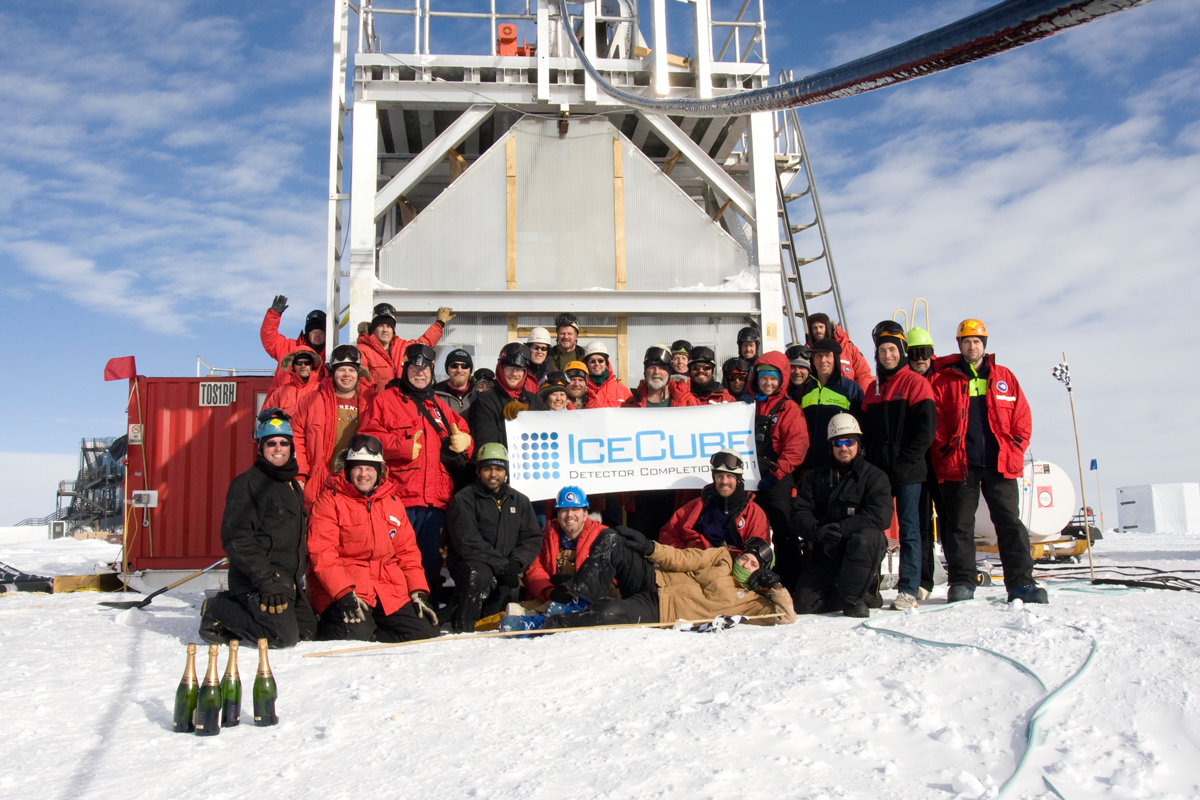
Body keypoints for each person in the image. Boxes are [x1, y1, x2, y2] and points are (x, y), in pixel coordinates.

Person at [931, 319, 1045, 604]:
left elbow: (1022, 418)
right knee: (959, 526)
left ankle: (1021, 583)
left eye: (977, 341)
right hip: (961, 465)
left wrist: (1016, 448)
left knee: (1009, 524)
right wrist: (945, 449)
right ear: (960, 345)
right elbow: (937, 420)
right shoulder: (945, 380)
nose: (972, 346)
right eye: (967, 341)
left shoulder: (1004, 376)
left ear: (985, 345)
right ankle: (962, 582)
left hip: (1000, 464)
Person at [359, 342, 474, 591]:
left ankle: (424, 603)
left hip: (435, 501)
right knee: (395, 558)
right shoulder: (386, 401)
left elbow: (463, 431)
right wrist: (401, 446)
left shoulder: (439, 406)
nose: (419, 374)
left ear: (431, 372)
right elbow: (368, 438)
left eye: (425, 370)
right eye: (414, 368)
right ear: (405, 370)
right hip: (399, 498)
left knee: (429, 559)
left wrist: (466, 442)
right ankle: (396, 605)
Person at [199, 408, 316, 648]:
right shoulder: (247, 484)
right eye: (271, 443)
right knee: (282, 637)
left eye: (284, 442)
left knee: (308, 632)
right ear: (261, 447)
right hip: (258, 581)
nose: (278, 448)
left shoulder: (291, 485)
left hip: (287, 581)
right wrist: (266, 582)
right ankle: (218, 609)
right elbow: (237, 540)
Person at [306, 435, 439, 642]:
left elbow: (407, 552)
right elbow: (322, 554)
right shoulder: (329, 502)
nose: (363, 474)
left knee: (425, 631)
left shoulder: (392, 502)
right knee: (353, 636)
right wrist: (343, 593)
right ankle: (344, 626)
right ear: (348, 471)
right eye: (358, 468)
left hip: (387, 588)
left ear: (380, 472)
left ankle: (371, 628)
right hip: (346, 590)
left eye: (370, 468)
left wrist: (417, 591)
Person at [531, 530, 794, 629]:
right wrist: (649, 548)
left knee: (608, 612)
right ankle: (577, 600)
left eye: (753, 564)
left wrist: (776, 586)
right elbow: (685, 558)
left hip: (661, 609)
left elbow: (786, 617)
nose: (745, 564)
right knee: (612, 539)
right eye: (745, 558)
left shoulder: (751, 603)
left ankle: (546, 623)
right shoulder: (722, 558)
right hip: (653, 578)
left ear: (760, 572)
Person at [861, 321, 937, 611]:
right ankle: (870, 587)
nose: (887, 355)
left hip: (908, 472)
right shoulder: (872, 389)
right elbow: (865, 431)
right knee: (874, 528)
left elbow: (925, 431)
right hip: (879, 473)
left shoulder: (916, 383)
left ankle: (908, 589)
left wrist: (905, 462)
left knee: (910, 530)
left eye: (892, 349)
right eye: (882, 350)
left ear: (902, 351)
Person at [791, 413, 893, 617]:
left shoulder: (874, 477)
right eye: (838, 442)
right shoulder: (816, 479)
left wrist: (844, 529)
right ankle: (862, 590)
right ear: (831, 445)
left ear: (859, 444)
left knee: (867, 538)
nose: (844, 447)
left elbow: (880, 515)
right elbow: (799, 513)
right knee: (803, 604)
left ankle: (853, 601)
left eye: (849, 441)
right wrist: (819, 532)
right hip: (828, 550)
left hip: (859, 548)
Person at [445, 443, 543, 632]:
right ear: (479, 471)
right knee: (479, 574)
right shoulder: (464, 499)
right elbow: (467, 541)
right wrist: (502, 565)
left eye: (498, 469)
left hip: (505, 567)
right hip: (470, 564)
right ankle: (463, 626)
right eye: (487, 469)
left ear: (505, 471)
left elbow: (531, 536)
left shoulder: (519, 500)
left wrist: (517, 563)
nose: (493, 474)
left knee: (494, 618)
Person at [622, 345, 697, 536]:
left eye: (662, 367)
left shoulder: (687, 402)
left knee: (671, 545)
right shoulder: (630, 405)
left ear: (669, 371)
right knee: (639, 543)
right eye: (651, 367)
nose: (656, 372)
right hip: (641, 490)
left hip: (675, 489)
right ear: (645, 370)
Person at [749, 350, 809, 584]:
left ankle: (791, 580)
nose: (768, 383)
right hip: (751, 478)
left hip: (777, 479)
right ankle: (753, 577)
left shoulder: (789, 409)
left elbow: (797, 446)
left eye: (773, 378)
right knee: (752, 531)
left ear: (782, 380)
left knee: (784, 531)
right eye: (764, 378)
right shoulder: (747, 407)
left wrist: (776, 475)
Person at [292, 344, 375, 510]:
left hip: (357, 481)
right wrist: (300, 474)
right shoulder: (311, 400)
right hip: (319, 482)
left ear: (358, 374)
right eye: (341, 370)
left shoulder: (371, 401)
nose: (347, 375)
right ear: (333, 373)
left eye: (351, 370)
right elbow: (295, 436)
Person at [658, 450, 770, 553]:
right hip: (695, 563)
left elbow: (759, 553)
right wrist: (684, 556)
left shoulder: (753, 513)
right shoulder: (698, 505)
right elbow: (669, 534)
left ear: (738, 480)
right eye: (719, 476)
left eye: (729, 476)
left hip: (732, 568)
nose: (724, 481)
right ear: (714, 478)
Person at [524, 486, 611, 604]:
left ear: (585, 514)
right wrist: (550, 592)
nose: (570, 514)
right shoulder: (544, 536)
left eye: (575, 509)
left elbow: (613, 574)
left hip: (593, 600)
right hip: (552, 599)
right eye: (564, 510)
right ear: (558, 514)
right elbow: (534, 569)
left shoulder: (604, 536)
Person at [793, 338, 864, 480]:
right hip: (809, 465)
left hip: (840, 466)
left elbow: (862, 427)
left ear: (835, 359)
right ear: (813, 360)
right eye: (818, 356)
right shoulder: (803, 390)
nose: (823, 360)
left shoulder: (850, 388)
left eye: (828, 356)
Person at [905, 326, 941, 598]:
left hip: (944, 461)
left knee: (951, 523)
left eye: (924, 352)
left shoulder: (942, 380)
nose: (920, 359)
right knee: (919, 523)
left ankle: (960, 577)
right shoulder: (904, 383)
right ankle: (923, 579)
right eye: (915, 353)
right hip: (918, 464)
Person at [358, 302, 453, 393]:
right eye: (380, 326)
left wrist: (439, 323)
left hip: (401, 404)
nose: (385, 330)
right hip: (378, 406)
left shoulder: (402, 348)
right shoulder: (362, 350)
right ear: (373, 329)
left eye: (388, 326)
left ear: (393, 330)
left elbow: (425, 342)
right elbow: (362, 386)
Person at [468, 342, 545, 450]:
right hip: (500, 464)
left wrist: (526, 410)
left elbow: (547, 425)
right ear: (500, 368)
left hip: (532, 462)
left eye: (519, 369)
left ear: (525, 373)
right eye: (509, 368)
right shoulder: (485, 402)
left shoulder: (533, 399)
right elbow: (487, 445)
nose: (514, 373)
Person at [261, 296, 327, 394]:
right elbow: (269, 336)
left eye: (320, 332)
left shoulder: (330, 355)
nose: (317, 335)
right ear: (307, 333)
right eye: (313, 332)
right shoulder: (288, 347)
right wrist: (273, 315)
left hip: (311, 406)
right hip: (281, 404)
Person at [807, 312, 872, 391]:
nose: (818, 330)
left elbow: (863, 374)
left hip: (848, 397)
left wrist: (860, 399)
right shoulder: (806, 353)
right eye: (815, 328)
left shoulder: (848, 348)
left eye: (821, 327)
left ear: (827, 328)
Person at [262, 346, 322, 419]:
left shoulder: (322, 390)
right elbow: (266, 417)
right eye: (299, 362)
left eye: (307, 362)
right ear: (292, 365)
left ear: (313, 365)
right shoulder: (280, 392)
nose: (303, 366)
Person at [583, 341, 632, 407]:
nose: (597, 364)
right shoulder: (580, 388)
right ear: (587, 364)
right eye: (592, 361)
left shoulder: (622, 390)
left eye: (601, 360)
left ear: (606, 363)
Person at [434, 348, 480, 416]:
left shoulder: (479, 394)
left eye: (464, 366)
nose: (459, 370)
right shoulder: (435, 394)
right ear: (448, 370)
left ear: (470, 370)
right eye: (454, 365)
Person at [524, 327, 554, 391]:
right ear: (528, 349)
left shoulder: (553, 374)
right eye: (536, 347)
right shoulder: (520, 372)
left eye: (543, 348)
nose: (539, 352)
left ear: (547, 352)